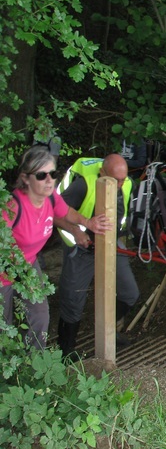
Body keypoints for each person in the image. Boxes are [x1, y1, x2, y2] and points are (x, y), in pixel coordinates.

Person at [1, 147, 110, 349]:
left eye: (53, 173)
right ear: (26, 179)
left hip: (28, 265)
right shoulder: (12, 208)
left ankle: (34, 367)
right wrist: (15, 274)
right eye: (42, 175)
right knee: (3, 326)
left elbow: (66, 212)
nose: (50, 180)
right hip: (4, 272)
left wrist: (88, 223)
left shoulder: (50, 198)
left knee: (39, 319)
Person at [54, 154, 140, 360]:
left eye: (123, 179)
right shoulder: (84, 185)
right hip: (82, 246)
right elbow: (55, 213)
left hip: (111, 244)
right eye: (115, 180)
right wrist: (77, 232)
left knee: (130, 293)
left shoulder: (128, 184)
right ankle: (65, 350)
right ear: (102, 173)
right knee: (73, 300)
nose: (120, 185)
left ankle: (107, 332)